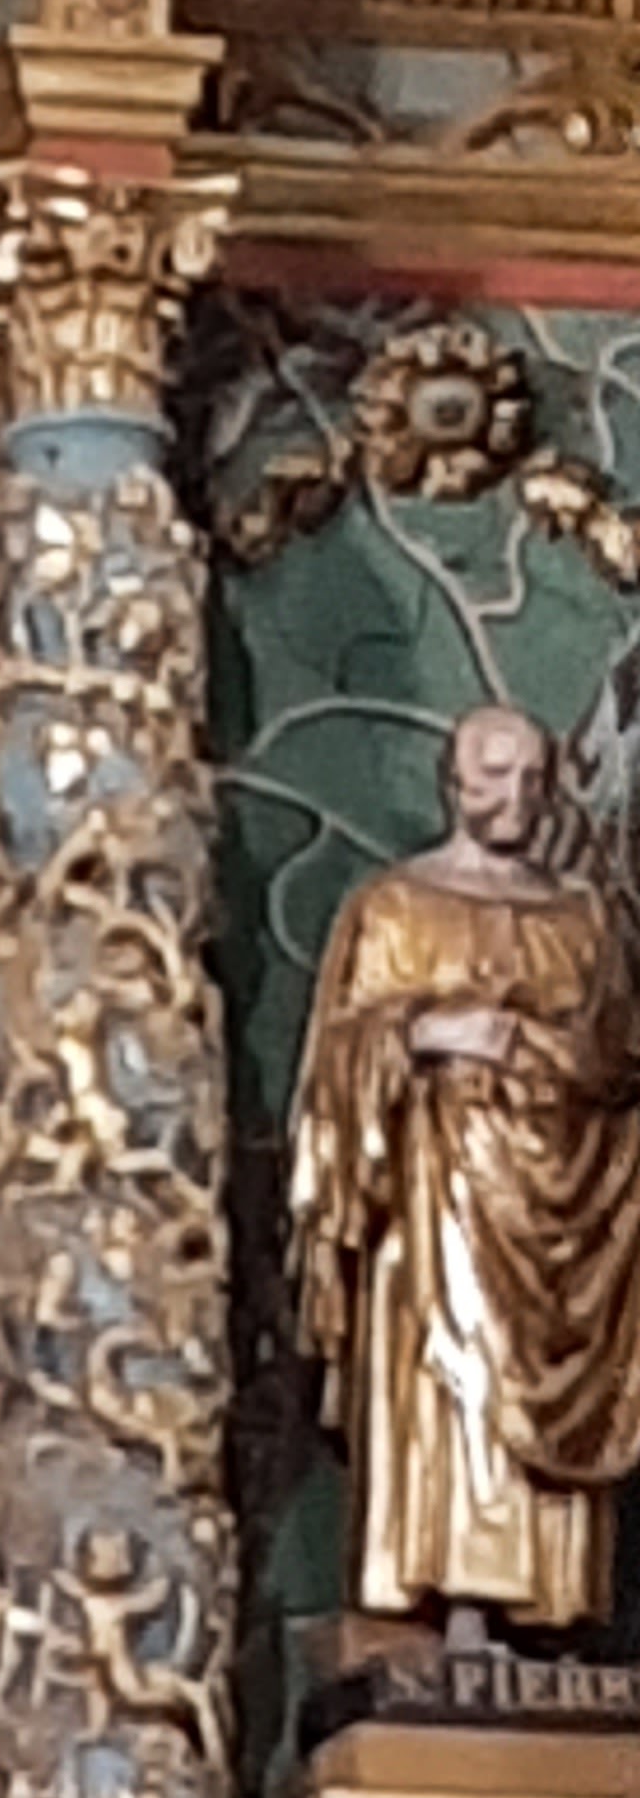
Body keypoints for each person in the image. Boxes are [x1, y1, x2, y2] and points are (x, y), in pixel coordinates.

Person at [290, 700, 640, 1637]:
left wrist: (540, 1051)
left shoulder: (583, 920)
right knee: (451, 1384)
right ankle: (459, 1604)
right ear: (453, 782)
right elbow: (337, 1063)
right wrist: (427, 1031)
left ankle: (554, 1610)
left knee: (558, 1384)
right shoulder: (394, 907)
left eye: (532, 779)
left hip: (562, 1204)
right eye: (494, 777)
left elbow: (618, 1060)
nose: (514, 796)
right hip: (436, 1201)